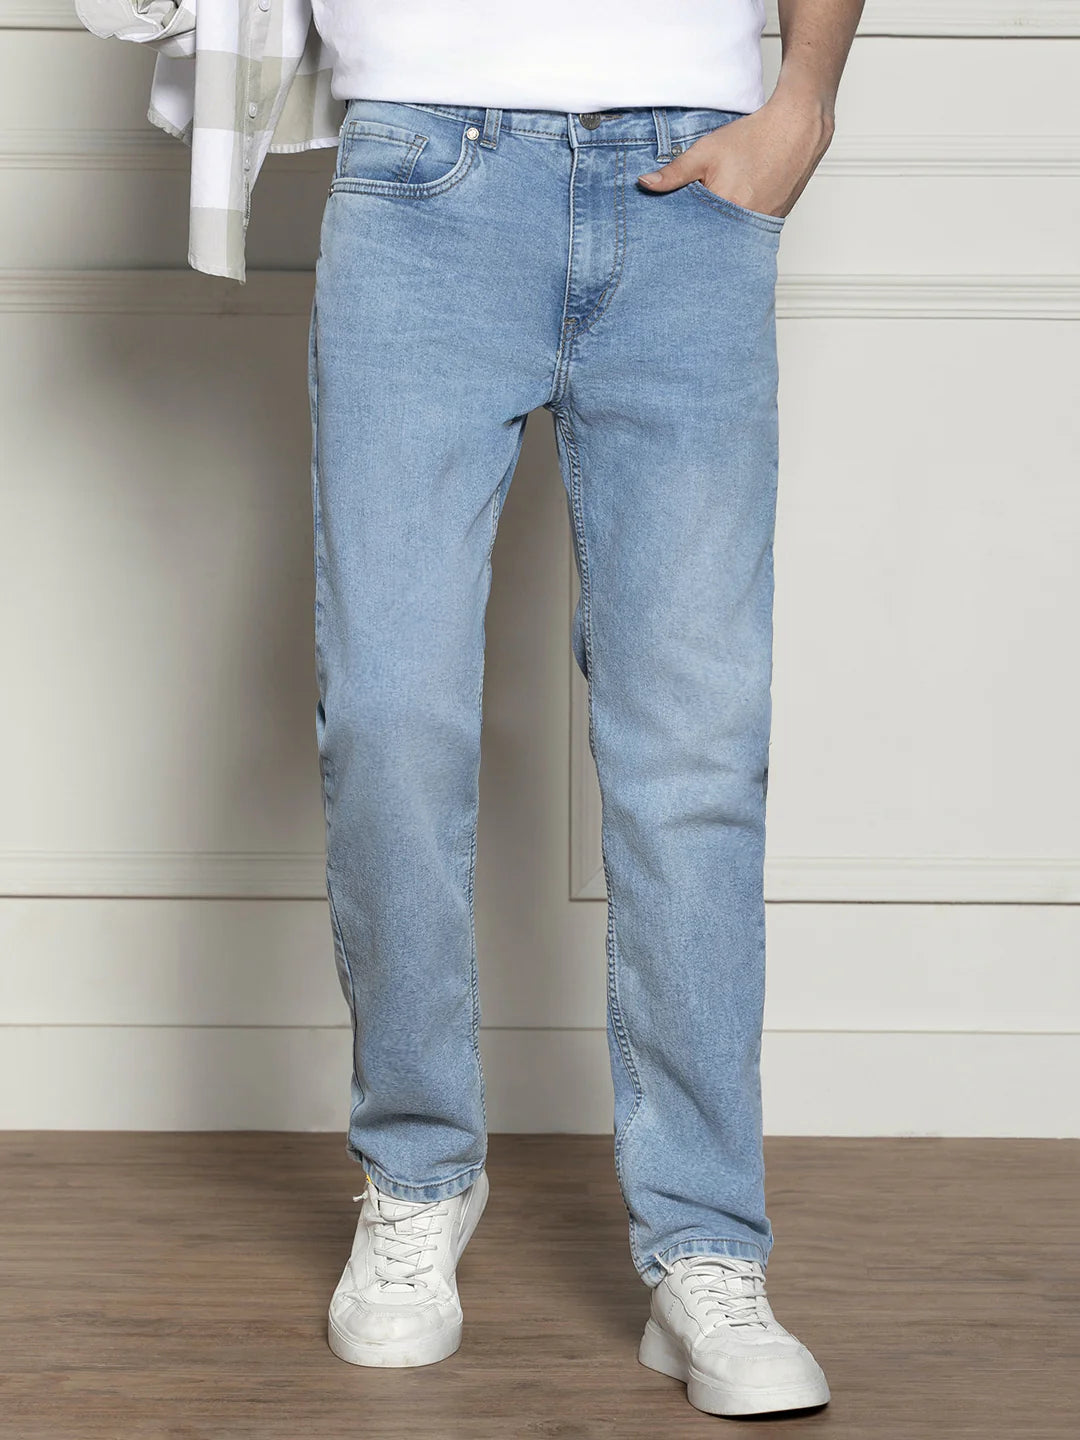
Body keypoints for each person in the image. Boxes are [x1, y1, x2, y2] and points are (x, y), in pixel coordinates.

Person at [76, 0, 865, 1420]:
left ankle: (708, 1247)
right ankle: (416, 1177)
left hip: (692, 175)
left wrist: (803, 94)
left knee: (693, 747)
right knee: (392, 716)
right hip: (423, 175)